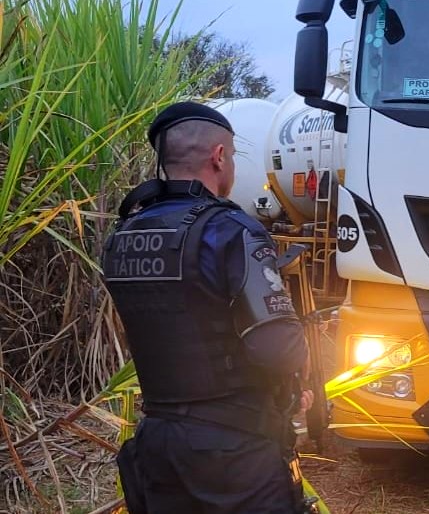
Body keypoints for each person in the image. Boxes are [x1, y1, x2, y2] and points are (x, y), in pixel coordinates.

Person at [101, 101, 315, 513]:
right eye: (232, 156)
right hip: (235, 455)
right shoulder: (231, 230)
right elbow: (278, 348)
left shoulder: (124, 233)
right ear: (219, 158)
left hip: (158, 446)